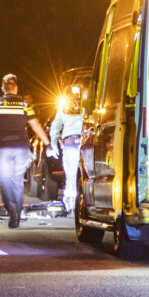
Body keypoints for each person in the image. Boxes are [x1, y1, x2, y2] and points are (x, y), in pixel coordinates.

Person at [0, 73, 49, 228]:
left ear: (3, 88)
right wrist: (47, 143)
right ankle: (18, 209)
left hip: (2, 147)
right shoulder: (24, 105)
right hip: (21, 147)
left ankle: (12, 208)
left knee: (5, 180)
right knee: (18, 180)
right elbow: (36, 126)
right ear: (16, 89)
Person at [49, 85, 84, 213]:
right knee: (85, 176)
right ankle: (81, 203)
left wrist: (53, 145)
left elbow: (54, 127)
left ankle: (70, 204)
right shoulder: (87, 107)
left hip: (70, 143)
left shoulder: (63, 109)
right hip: (84, 143)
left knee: (71, 175)